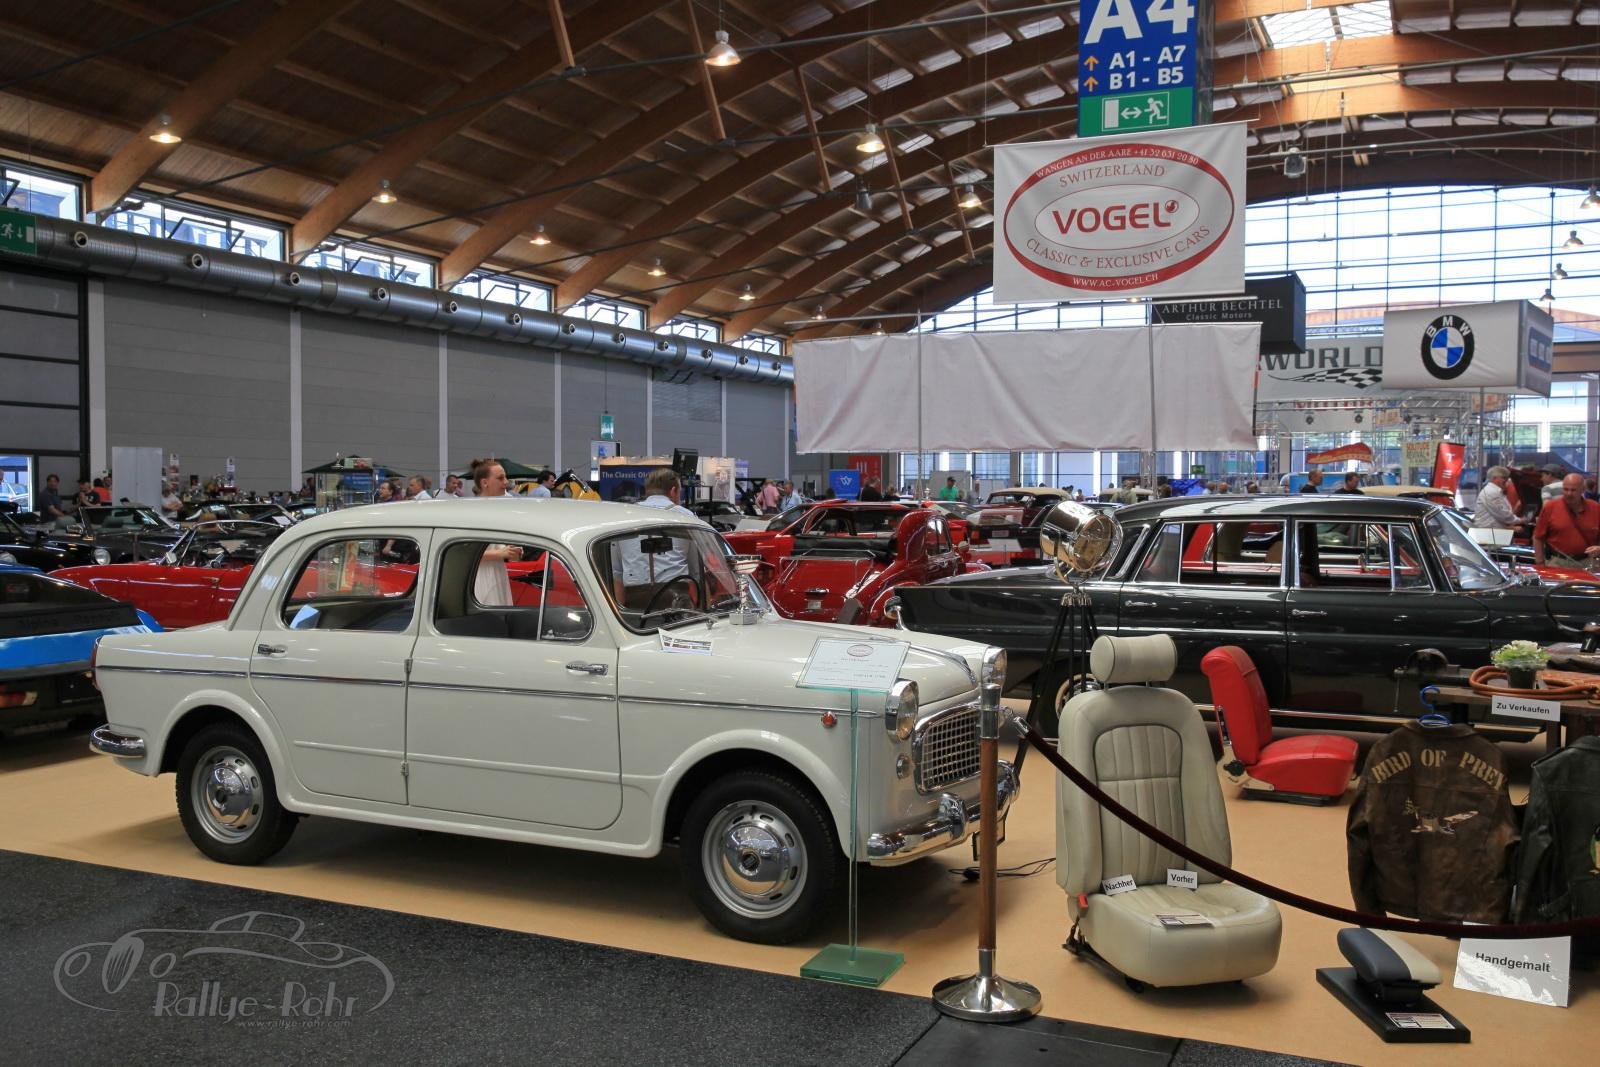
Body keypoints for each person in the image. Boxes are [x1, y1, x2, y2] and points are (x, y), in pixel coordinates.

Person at [468, 458, 521, 604]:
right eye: (500, 478)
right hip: (480, 577)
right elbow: (465, 553)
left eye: (505, 477)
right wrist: (500, 553)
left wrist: (513, 552)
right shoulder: (472, 513)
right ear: (485, 483)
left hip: (498, 573)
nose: (506, 482)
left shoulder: (499, 510)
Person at [1533, 473, 1600, 565]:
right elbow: (1537, 537)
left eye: (1573, 490)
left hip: (1588, 562)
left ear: (1583, 490)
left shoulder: (1595, 508)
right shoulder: (1550, 507)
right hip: (1557, 563)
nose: (1569, 493)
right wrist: (1540, 563)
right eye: (1566, 489)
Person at [1472, 466, 1526, 532]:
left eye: (1507, 477)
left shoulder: (1496, 491)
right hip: (1489, 533)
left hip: (1492, 531)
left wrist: (1512, 526)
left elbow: (1500, 516)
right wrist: (1520, 520)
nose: (1506, 480)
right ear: (1494, 478)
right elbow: (1503, 515)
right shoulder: (1491, 492)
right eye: (1503, 477)